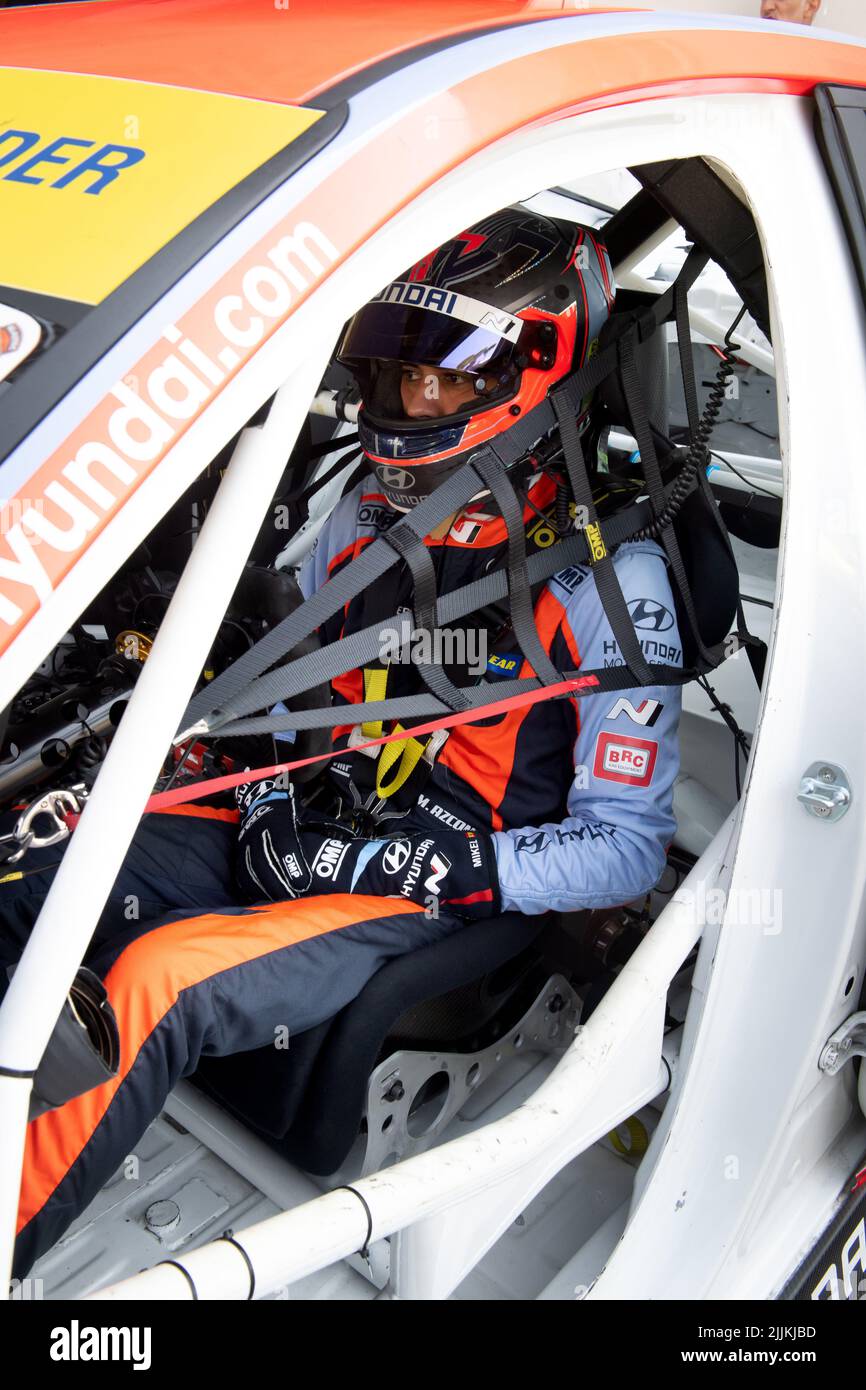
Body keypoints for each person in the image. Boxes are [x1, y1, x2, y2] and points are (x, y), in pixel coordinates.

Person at [3, 207, 684, 1278]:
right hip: (308, 804)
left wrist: (418, 863)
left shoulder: (606, 579)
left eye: (449, 375)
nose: (415, 399)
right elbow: (290, 675)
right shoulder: (369, 514)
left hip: (436, 873)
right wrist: (273, 804)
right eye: (402, 368)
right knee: (28, 868)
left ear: (532, 372)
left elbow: (626, 848)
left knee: (158, 981)